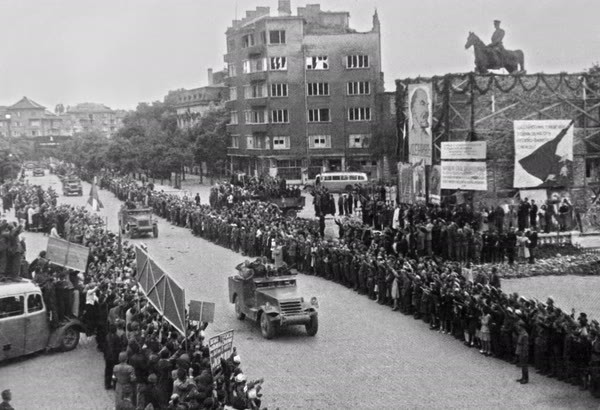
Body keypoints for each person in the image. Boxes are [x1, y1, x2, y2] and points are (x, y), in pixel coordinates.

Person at [516, 320, 530, 384]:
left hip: (523, 351)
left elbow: (525, 345)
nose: (517, 327)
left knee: (524, 365)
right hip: (520, 349)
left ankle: (526, 379)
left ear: (522, 326)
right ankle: (523, 377)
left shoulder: (525, 334)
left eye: (519, 326)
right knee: (522, 365)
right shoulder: (521, 333)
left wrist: (524, 353)